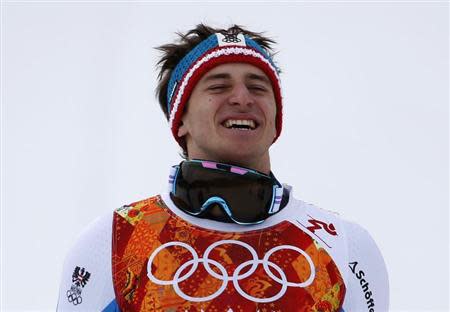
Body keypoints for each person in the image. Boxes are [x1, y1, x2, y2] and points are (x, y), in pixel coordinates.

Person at [57, 24, 389, 312]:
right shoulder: (117, 238)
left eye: (258, 87)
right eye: (218, 86)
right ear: (181, 118)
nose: (243, 98)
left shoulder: (344, 245)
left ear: (276, 123)